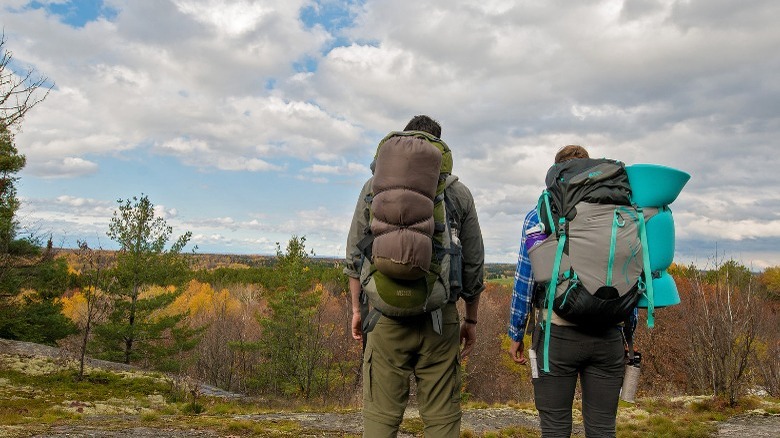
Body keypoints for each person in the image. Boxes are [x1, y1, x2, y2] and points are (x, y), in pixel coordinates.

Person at [344, 115, 485, 437]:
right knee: (442, 417)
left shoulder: (373, 187)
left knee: (381, 416)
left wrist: (356, 310)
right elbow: (474, 262)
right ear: (438, 148)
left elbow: (354, 254)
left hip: (384, 315)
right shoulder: (458, 192)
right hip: (440, 316)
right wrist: (471, 320)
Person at [508, 144, 629, 437]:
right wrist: (629, 334)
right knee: (602, 429)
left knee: (555, 428)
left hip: (556, 335)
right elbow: (630, 274)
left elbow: (526, 279)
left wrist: (516, 333)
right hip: (609, 334)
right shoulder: (620, 214)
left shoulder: (539, 215)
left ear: (557, 173)